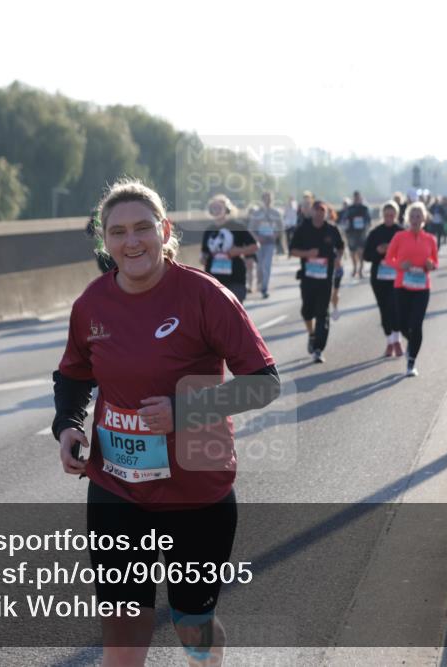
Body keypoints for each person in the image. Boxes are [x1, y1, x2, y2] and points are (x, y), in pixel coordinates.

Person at [53, 178, 279, 667]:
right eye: (117, 232)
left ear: (165, 230)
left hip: (196, 489)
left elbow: (264, 382)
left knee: (191, 623)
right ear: (104, 240)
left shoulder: (204, 296)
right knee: (123, 627)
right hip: (116, 487)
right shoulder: (91, 304)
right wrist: (69, 424)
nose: (131, 241)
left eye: (142, 228)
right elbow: (73, 375)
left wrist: (182, 412)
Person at [386, 202, 438, 377]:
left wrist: (431, 265)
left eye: (419, 216)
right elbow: (388, 259)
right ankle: (412, 343)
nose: (415, 219)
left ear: (424, 219)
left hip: (422, 287)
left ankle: (411, 361)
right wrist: (400, 265)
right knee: (402, 324)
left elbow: (435, 262)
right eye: (412, 216)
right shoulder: (399, 237)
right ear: (408, 219)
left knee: (416, 324)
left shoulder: (430, 239)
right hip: (402, 285)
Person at [289, 200, 344, 363]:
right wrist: (307, 253)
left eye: (323, 210)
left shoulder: (332, 230)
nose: (319, 213)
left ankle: (318, 348)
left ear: (326, 212)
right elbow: (292, 251)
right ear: (312, 212)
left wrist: (338, 259)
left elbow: (340, 247)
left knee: (322, 313)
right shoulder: (303, 229)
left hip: (326, 278)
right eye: (317, 210)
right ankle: (311, 334)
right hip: (307, 278)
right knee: (307, 310)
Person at [363, 201, 404, 356]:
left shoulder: (401, 232)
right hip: (379, 278)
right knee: (384, 309)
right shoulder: (375, 233)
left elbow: (408, 255)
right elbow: (366, 256)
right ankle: (389, 342)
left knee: (396, 309)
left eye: (392, 215)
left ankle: (398, 340)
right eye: (386, 215)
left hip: (397, 277)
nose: (389, 218)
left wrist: (393, 252)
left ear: (396, 215)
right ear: (382, 215)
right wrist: (379, 252)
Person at [201, 194, 259, 303]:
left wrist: (238, 251)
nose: (216, 210)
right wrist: (203, 258)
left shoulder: (237, 227)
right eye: (213, 208)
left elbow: (255, 246)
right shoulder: (209, 230)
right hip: (214, 280)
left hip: (235, 278)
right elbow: (204, 252)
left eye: (219, 207)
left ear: (227, 209)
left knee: (234, 315)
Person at [248, 192, 283, 299]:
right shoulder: (257, 213)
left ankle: (264, 288)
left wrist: (275, 235)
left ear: (272, 200)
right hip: (260, 243)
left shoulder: (276, 213)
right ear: (262, 200)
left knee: (266, 265)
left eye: (269, 199)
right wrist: (257, 238)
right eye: (265, 199)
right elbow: (251, 229)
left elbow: (280, 228)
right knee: (259, 266)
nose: (267, 201)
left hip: (270, 243)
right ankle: (259, 283)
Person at [342, 191, 372, 279]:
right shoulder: (350, 208)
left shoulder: (364, 208)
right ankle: (355, 268)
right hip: (351, 233)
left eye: (358, 198)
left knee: (361, 252)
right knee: (352, 252)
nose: (356, 199)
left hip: (361, 233)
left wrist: (366, 225)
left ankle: (360, 269)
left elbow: (368, 219)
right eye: (355, 198)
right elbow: (344, 219)